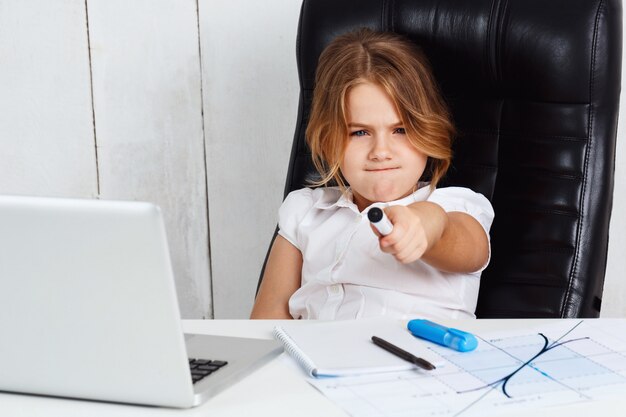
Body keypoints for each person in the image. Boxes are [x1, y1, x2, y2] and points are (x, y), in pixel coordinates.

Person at [250, 28, 494, 320]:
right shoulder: (305, 211)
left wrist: (426, 224)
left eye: (400, 130)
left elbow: (465, 244)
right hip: (310, 360)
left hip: (413, 361)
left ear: (427, 131)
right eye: (360, 132)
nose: (381, 150)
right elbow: (267, 320)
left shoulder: (456, 206)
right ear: (329, 140)